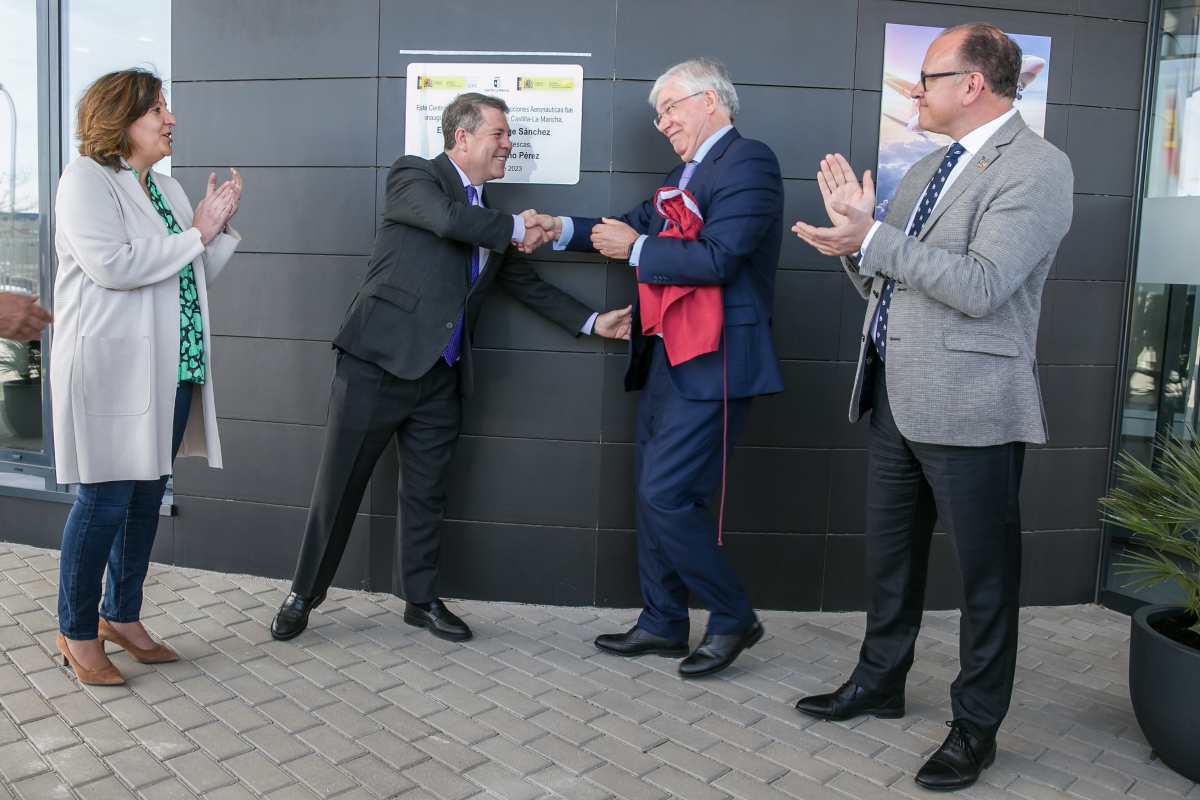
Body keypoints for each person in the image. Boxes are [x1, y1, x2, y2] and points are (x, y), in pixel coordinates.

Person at [791, 24, 1073, 790]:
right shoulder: (925, 171)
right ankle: (879, 683)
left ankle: (975, 728)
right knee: (891, 561)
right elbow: (890, 284)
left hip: (973, 404)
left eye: (927, 77)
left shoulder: (1039, 169)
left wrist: (873, 236)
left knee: (985, 578)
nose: (915, 91)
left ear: (974, 83)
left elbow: (982, 286)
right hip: (893, 391)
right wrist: (853, 245)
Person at [270, 92, 631, 643]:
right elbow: (445, 221)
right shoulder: (415, 176)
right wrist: (515, 227)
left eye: (509, 135)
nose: (509, 144)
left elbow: (522, 285)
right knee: (340, 486)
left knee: (427, 494)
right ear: (462, 137)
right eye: (500, 134)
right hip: (377, 365)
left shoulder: (490, 217)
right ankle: (303, 595)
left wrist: (592, 320)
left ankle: (420, 601)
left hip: (442, 377)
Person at [528, 58, 784, 678]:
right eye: (658, 112)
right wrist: (557, 228)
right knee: (655, 495)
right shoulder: (684, 171)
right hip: (669, 356)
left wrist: (639, 249)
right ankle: (663, 621)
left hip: (716, 360)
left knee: (667, 495)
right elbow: (628, 227)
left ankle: (732, 617)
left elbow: (720, 258)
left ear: (710, 101)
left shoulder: (749, 162)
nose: (662, 120)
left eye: (670, 107)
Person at [51, 68, 243, 685]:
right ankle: (76, 630)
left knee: (143, 497)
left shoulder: (166, 187)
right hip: (111, 366)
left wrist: (214, 231)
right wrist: (197, 232)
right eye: (157, 109)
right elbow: (112, 266)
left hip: (170, 368)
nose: (171, 119)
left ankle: (122, 616)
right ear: (121, 118)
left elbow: (186, 278)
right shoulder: (86, 180)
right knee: (104, 497)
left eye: (167, 108)